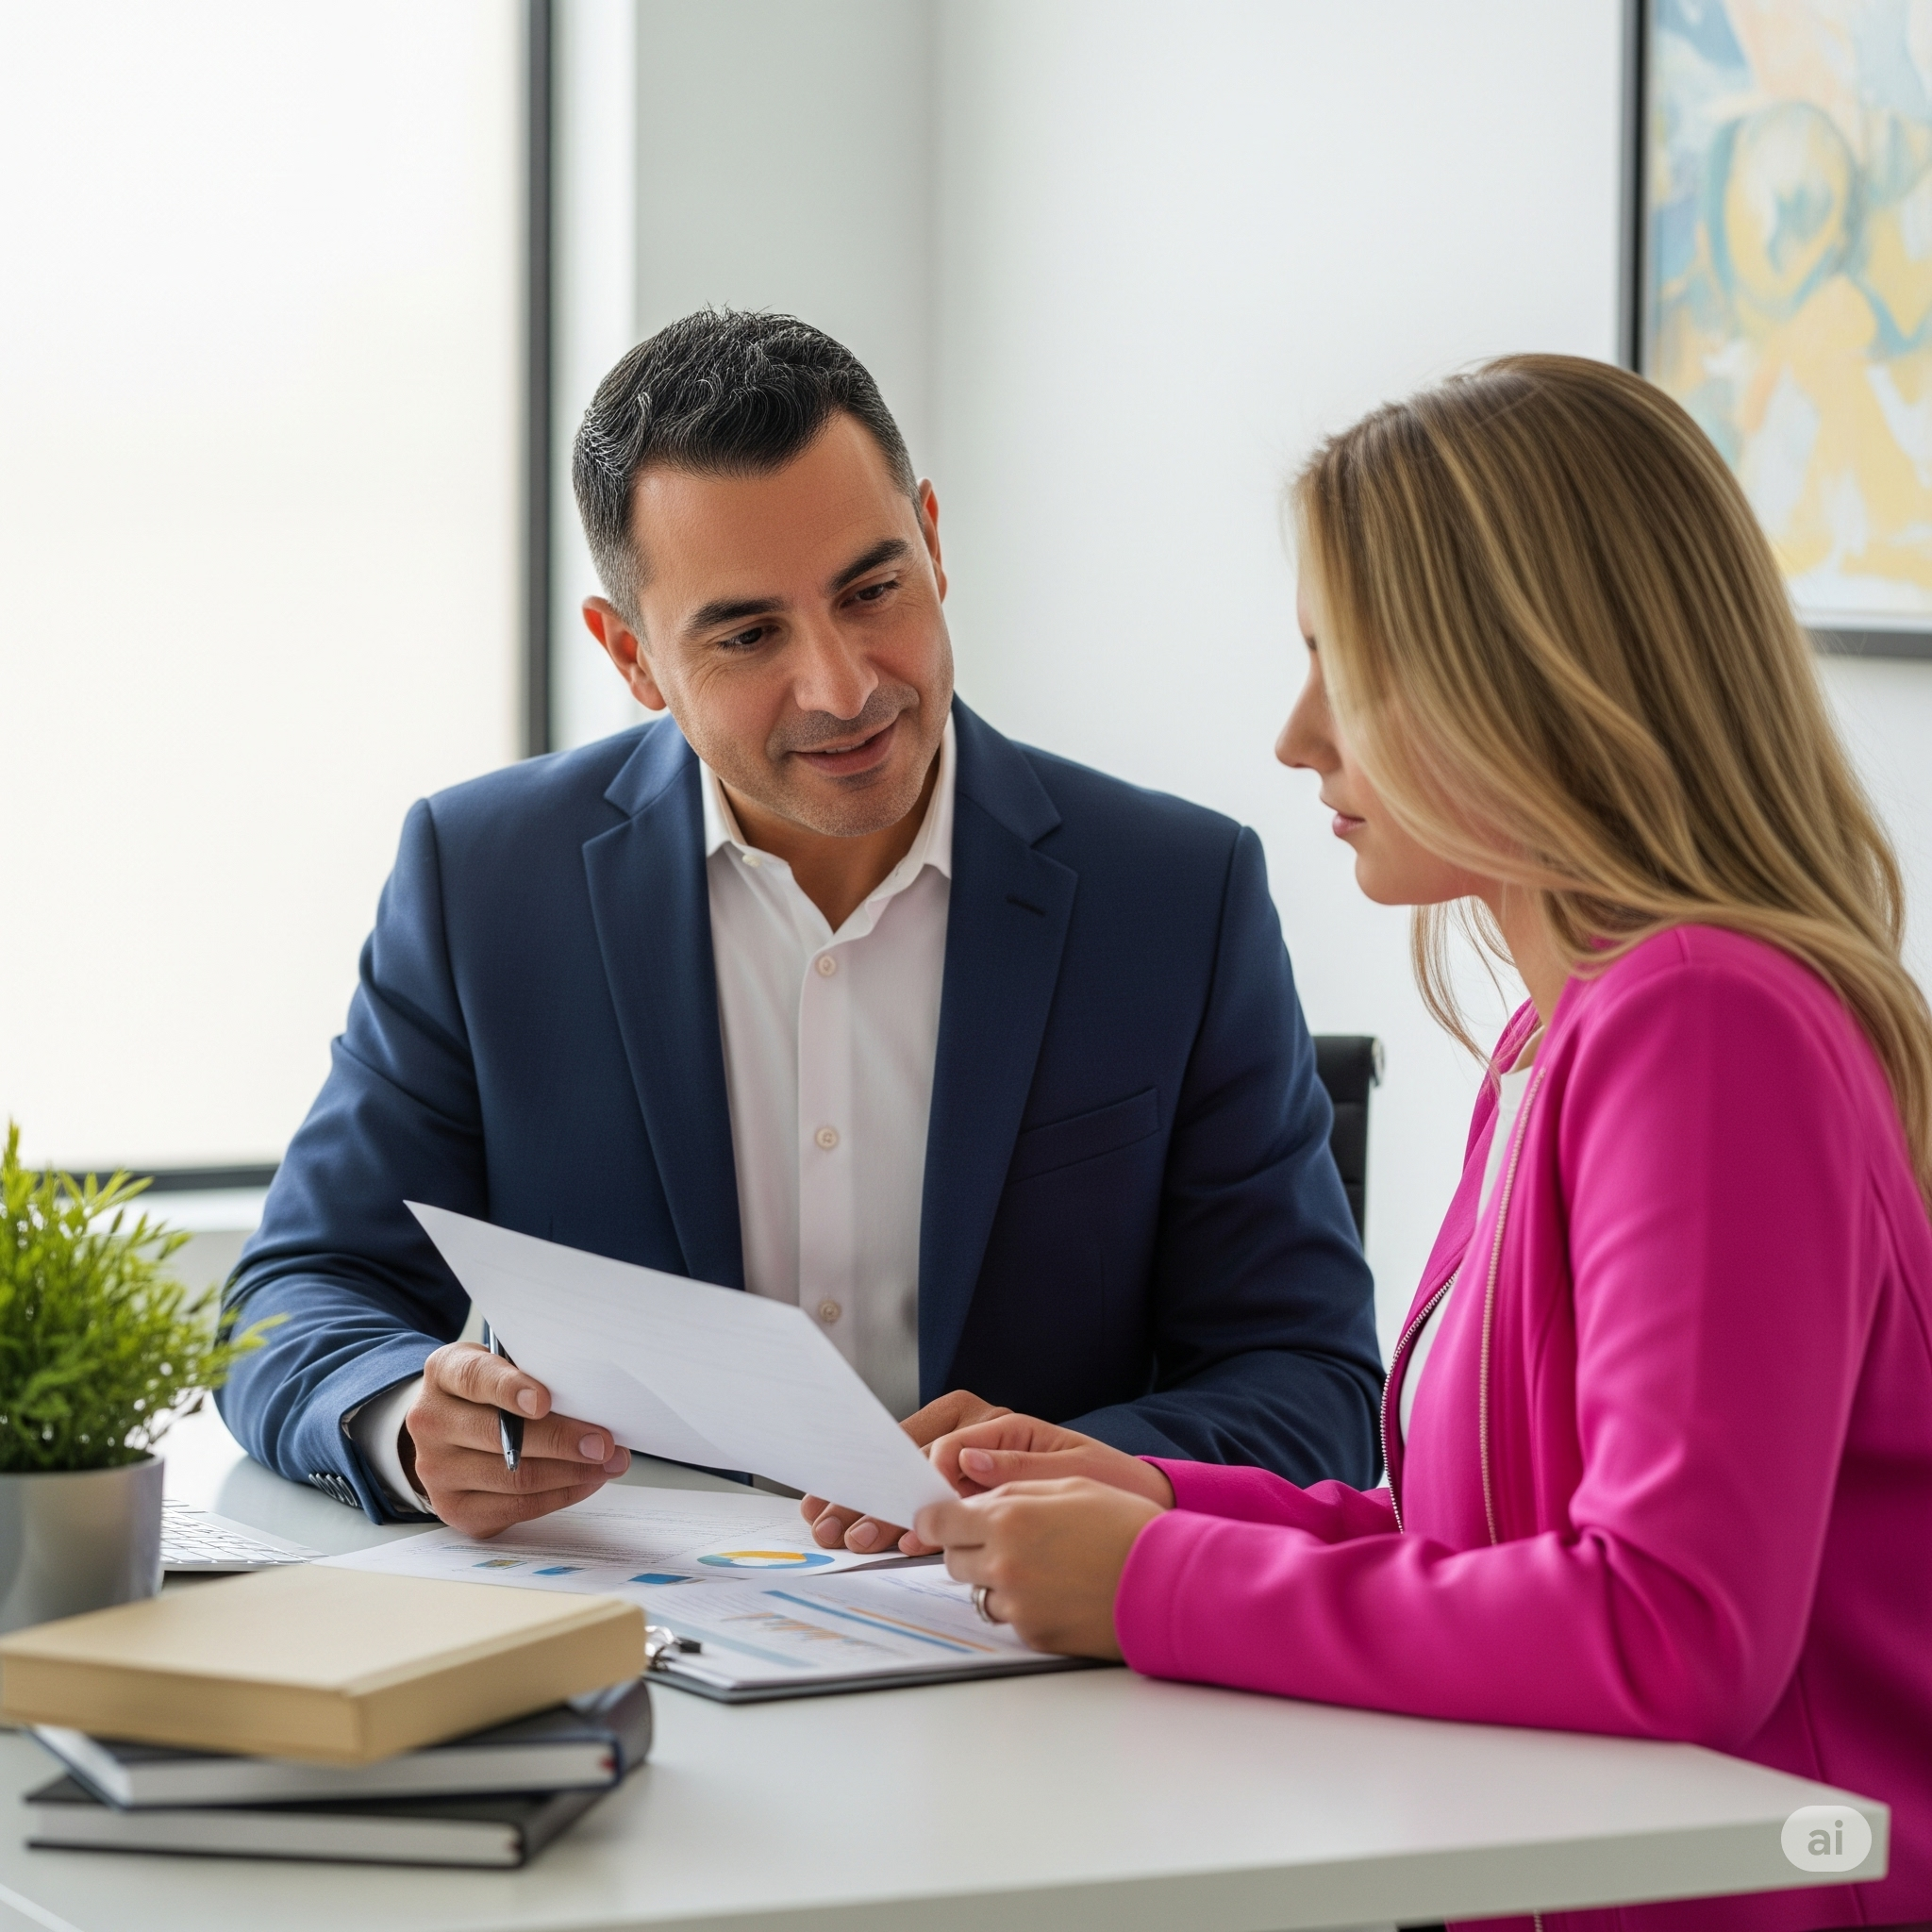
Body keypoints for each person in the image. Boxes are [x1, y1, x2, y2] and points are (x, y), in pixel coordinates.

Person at [912, 355, 1932, 1932]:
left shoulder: (1704, 1021)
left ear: (1523, 676)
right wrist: (1153, 1502)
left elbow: (1673, 1621)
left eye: (1349, 662)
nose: (1298, 734)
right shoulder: (1558, 1033)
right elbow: (1495, 1549)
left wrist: (1149, 1587)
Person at [217, 309, 1380, 1541]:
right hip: (639, 1644)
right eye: (749, 633)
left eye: (873, 588)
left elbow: (1313, 1385)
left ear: (932, 541)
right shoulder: (486, 881)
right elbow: (298, 1295)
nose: (844, 686)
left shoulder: (1177, 893)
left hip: (1041, 1667)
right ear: (633, 658)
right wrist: (403, 1417)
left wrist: (1096, 1467)